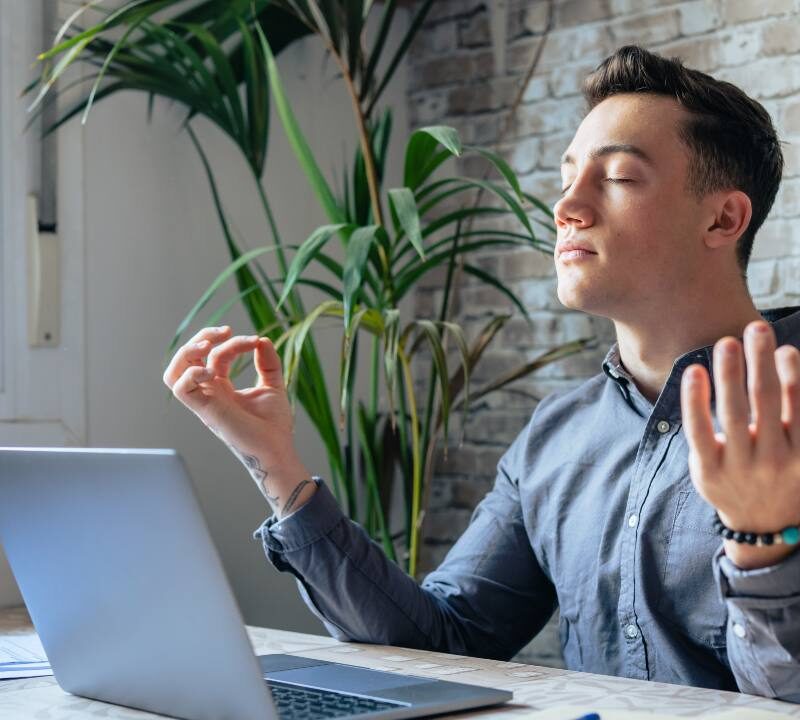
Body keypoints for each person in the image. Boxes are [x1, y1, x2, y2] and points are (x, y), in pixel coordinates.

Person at [163, 45, 800, 701]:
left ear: (723, 217)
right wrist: (274, 464)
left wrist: (761, 548)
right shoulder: (559, 434)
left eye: (618, 179)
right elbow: (444, 643)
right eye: (567, 179)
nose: (566, 208)